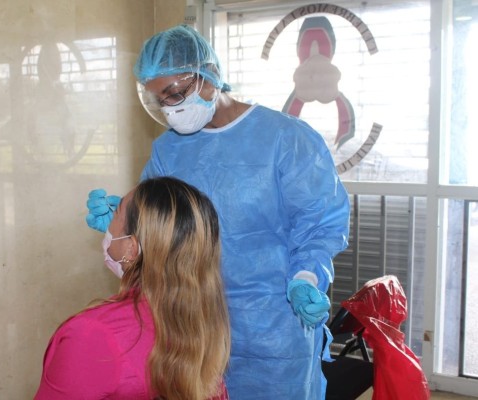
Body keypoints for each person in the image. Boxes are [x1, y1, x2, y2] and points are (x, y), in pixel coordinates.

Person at [86, 24, 350, 399]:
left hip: (272, 328)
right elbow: (157, 214)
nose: (172, 108)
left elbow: (319, 223)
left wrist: (306, 278)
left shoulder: (285, 139)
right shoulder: (168, 150)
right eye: (161, 100)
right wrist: (122, 220)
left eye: (176, 93)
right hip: (190, 327)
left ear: (209, 74)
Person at [37, 177, 231, 400]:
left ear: (131, 247)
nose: (109, 226)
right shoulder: (204, 325)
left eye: (116, 215)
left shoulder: (92, 334)